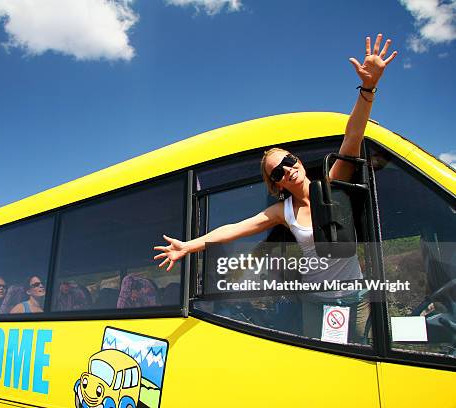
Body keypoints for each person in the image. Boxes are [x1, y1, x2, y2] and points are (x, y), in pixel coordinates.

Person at [153, 34, 397, 341]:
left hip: (356, 298)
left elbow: (352, 138)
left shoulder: (331, 186)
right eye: (278, 172)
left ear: (298, 162)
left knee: (363, 362)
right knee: (328, 366)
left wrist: (368, 89)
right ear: (276, 184)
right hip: (316, 301)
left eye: (290, 161)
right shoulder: (283, 211)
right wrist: (190, 246)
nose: (288, 170)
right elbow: (234, 228)